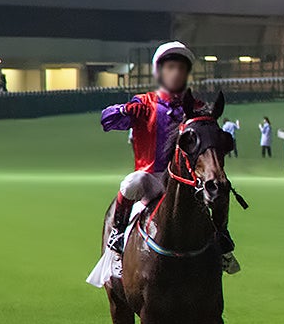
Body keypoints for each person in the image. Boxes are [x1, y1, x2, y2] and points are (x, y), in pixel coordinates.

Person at [98, 41, 239, 274]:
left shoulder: (197, 107)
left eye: (181, 69)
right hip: (152, 179)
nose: (176, 73)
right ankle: (117, 238)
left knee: (221, 188)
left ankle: (222, 240)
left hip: (187, 179)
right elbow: (107, 120)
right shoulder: (144, 103)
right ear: (160, 72)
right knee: (132, 182)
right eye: (170, 67)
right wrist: (124, 110)